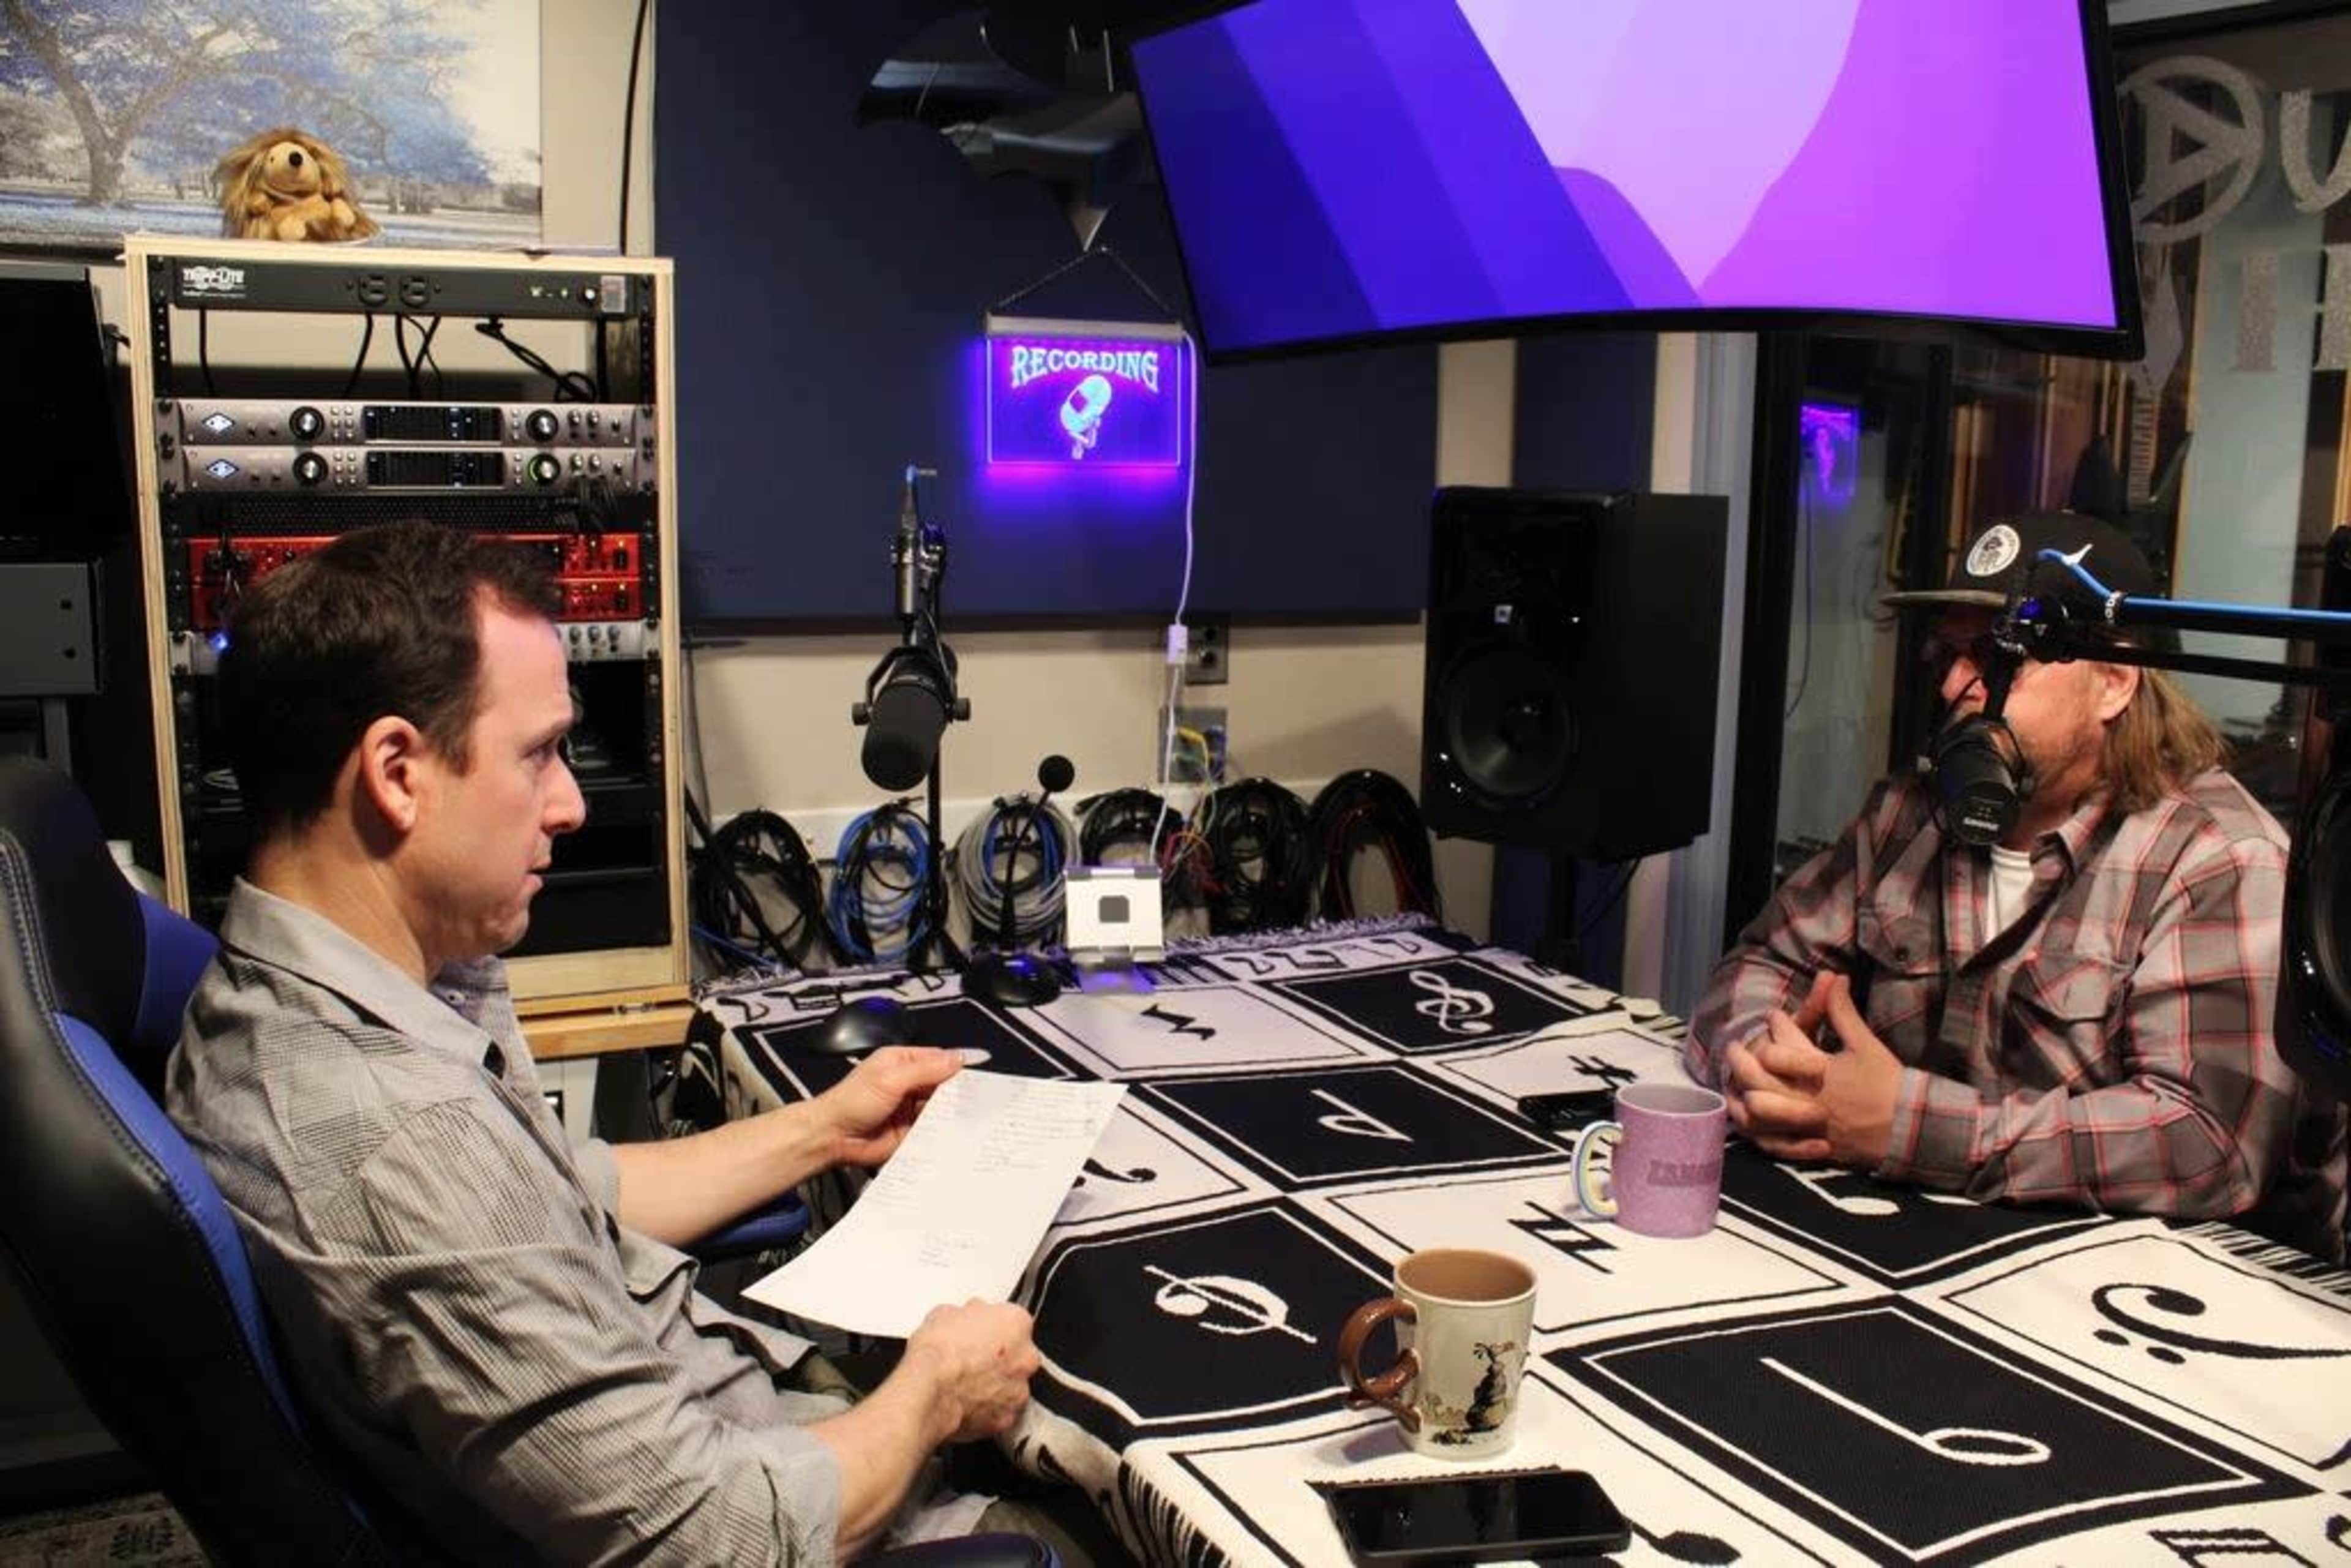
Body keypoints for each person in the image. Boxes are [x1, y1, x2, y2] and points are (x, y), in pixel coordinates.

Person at [165, 522, 1041, 1563]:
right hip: (777, 1506)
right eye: (537, 754)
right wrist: (937, 1391)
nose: (571, 802)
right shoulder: (400, 1140)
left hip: (736, 1420)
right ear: (397, 771)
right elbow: (712, 1535)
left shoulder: (294, 1004)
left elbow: (561, 1190)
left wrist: (824, 1130)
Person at [1685, 510, 2348, 1261]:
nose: (1953, 685)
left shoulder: (2223, 858)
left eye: (1999, 655)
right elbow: (1760, 963)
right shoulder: (1909, 815)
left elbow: (2206, 1142)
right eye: (1951, 653)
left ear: (2114, 682)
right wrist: (1766, 1074)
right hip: (1939, 1245)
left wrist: (1906, 1124)